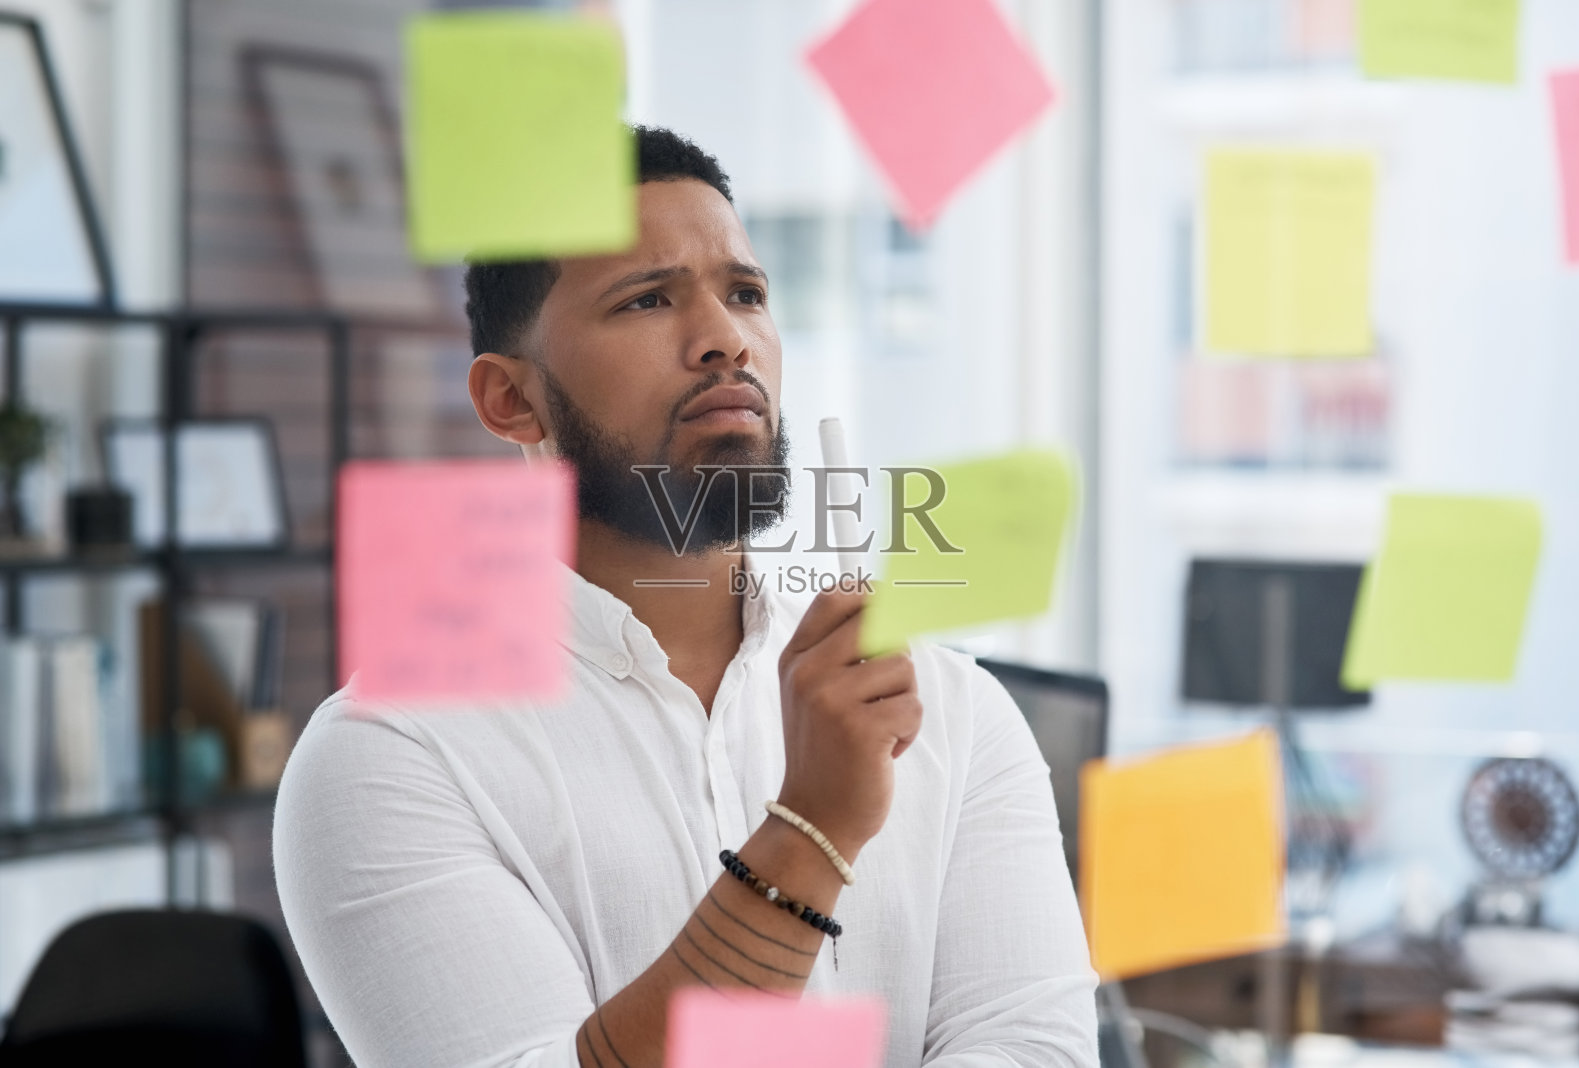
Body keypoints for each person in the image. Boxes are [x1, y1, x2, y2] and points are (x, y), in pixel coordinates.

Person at [274, 125, 1098, 1068]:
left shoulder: (953, 714)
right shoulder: (391, 756)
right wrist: (812, 831)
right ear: (512, 400)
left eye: (746, 294)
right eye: (647, 300)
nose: (725, 341)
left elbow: (1036, 1051)